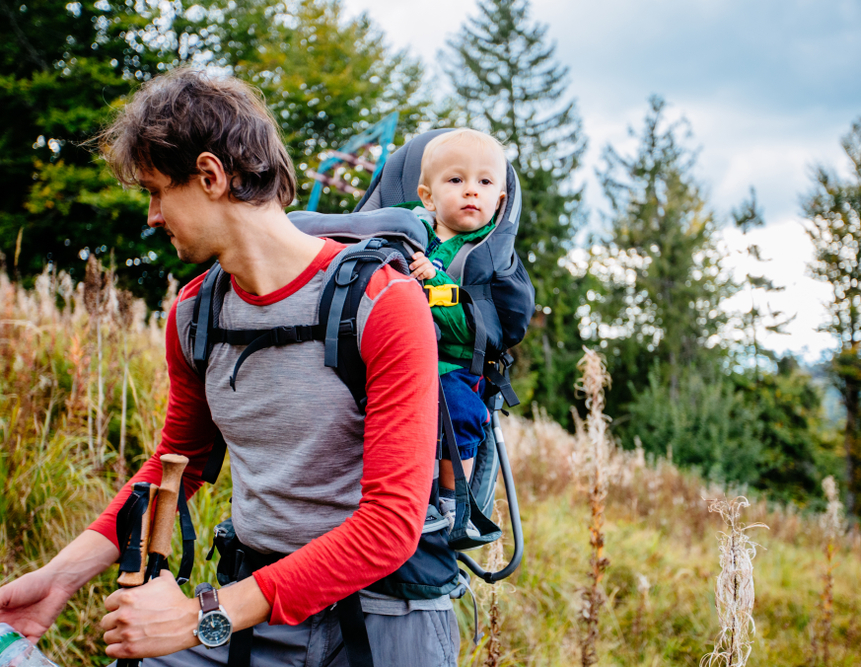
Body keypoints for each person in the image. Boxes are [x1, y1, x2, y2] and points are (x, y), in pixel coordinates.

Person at [0, 68, 455, 665]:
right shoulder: (195, 314)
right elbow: (174, 468)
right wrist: (59, 577)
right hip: (252, 608)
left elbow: (390, 523)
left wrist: (200, 616)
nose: (153, 216)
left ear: (211, 175)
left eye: (157, 191)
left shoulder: (383, 304)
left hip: (382, 619)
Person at [404, 129, 507, 534]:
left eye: (484, 182)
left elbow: (474, 326)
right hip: (398, 352)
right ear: (427, 197)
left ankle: (452, 500)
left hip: (454, 363)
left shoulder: (486, 255)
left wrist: (433, 283)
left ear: (498, 201)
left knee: (460, 411)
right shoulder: (411, 233)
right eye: (456, 180)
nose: (471, 192)